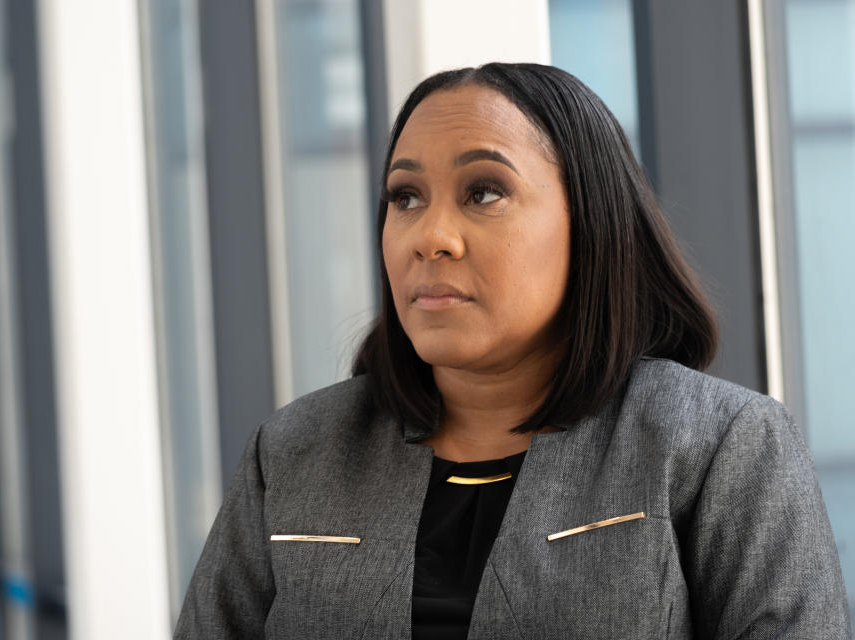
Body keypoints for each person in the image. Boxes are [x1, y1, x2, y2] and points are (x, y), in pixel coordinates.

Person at [173, 63, 851, 638]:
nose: (429, 236)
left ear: (591, 224)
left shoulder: (720, 446)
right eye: (405, 197)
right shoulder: (294, 452)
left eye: (485, 191)